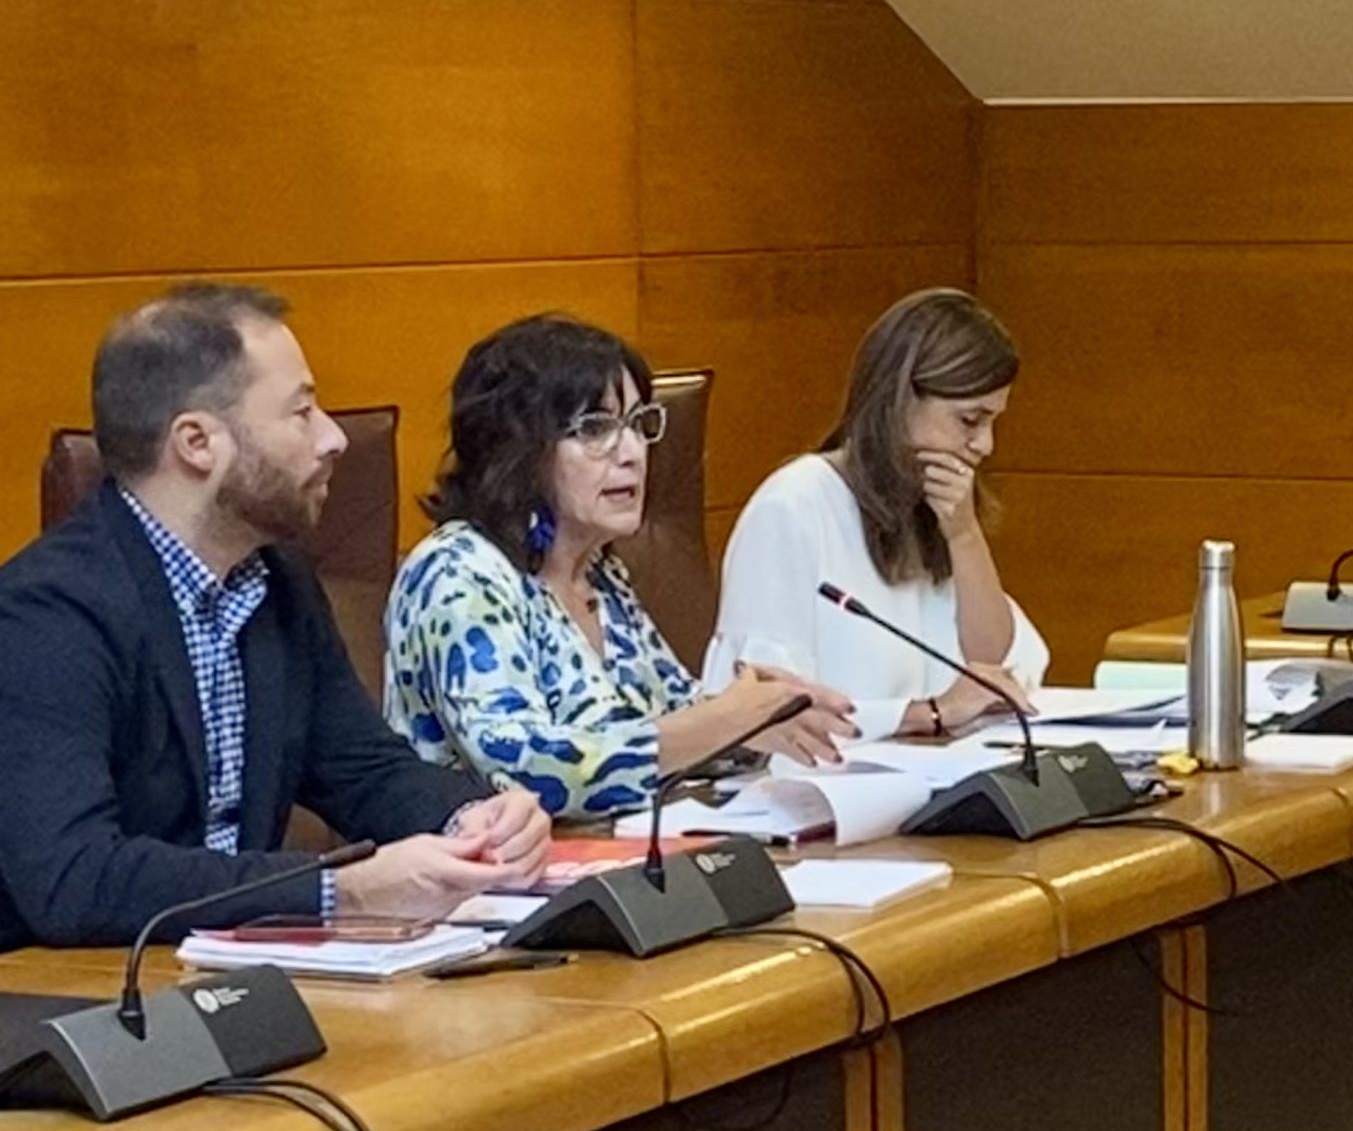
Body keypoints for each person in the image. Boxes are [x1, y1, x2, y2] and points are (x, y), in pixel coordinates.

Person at [0, 284, 551, 948]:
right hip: (64, 989)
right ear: (197, 443)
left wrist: (474, 818)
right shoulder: (45, 615)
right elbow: (75, 880)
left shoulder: (278, 581)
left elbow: (363, 769)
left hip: (232, 976)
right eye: (301, 412)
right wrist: (338, 891)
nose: (333, 438)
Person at [384, 315, 856, 821]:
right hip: (484, 866)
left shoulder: (600, 574)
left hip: (612, 851)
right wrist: (725, 720)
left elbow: (679, 716)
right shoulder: (457, 574)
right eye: (595, 429)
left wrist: (762, 719)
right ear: (517, 448)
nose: (632, 453)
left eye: (636, 424)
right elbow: (525, 769)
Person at [708, 289, 1048, 737]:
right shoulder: (791, 506)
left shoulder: (931, 507)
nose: (985, 445)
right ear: (900, 399)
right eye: (969, 421)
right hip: (825, 775)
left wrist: (964, 536)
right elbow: (762, 712)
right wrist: (928, 714)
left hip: (930, 766)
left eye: (992, 422)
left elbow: (990, 667)